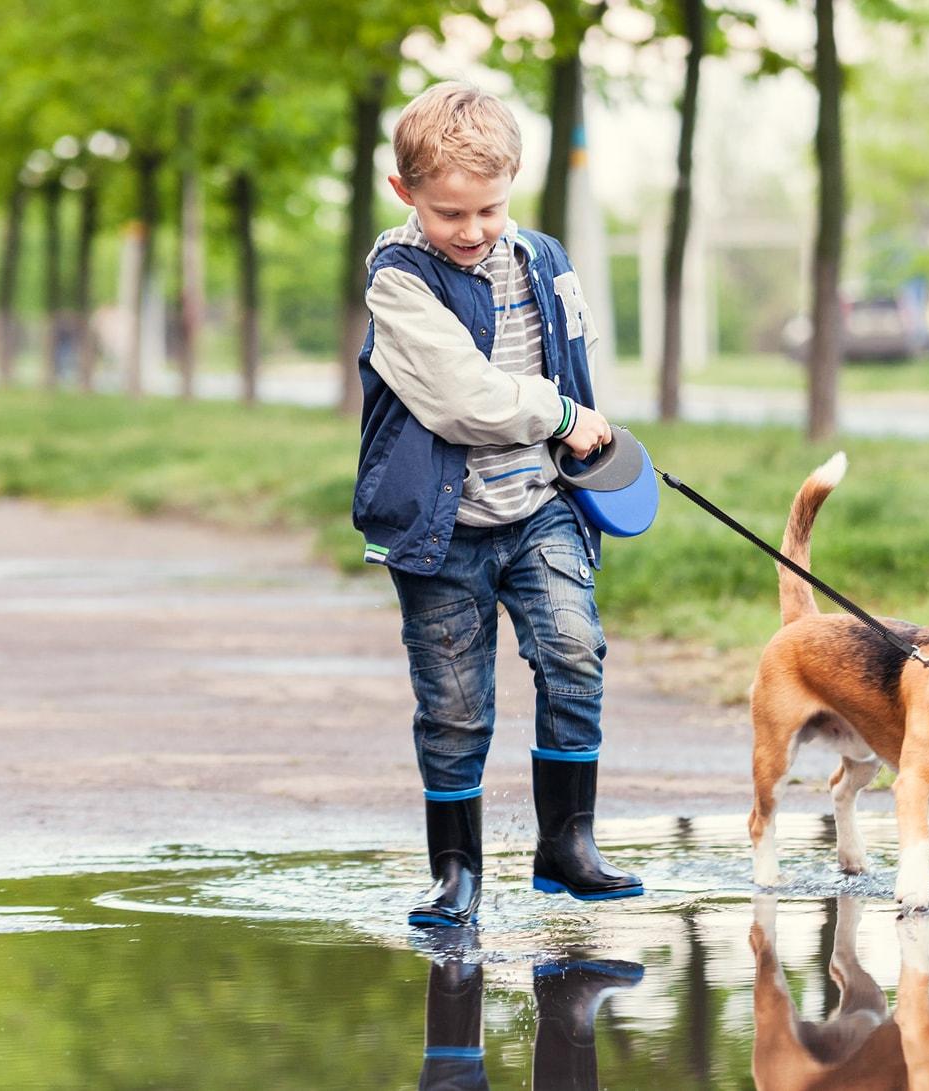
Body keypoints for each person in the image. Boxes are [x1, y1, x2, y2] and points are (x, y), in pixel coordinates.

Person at [353, 81, 644, 928]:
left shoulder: (547, 259)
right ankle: (456, 872)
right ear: (405, 193)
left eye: (489, 208)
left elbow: (576, 363)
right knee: (453, 698)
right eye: (450, 213)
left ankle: (567, 844)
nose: (473, 230)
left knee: (575, 651)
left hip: (541, 504)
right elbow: (461, 397)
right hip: (442, 525)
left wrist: (595, 448)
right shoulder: (398, 281)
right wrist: (562, 415)